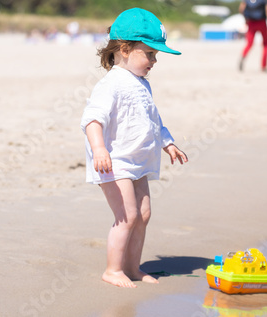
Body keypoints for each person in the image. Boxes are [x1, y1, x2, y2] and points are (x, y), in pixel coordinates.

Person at [80, 8, 188, 288]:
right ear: (125, 49)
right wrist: (99, 149)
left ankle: (132, 267)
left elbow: (152, 119)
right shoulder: (111, 84)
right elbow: (92, 119)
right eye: (150, 53)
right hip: (114, 161)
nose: (154, 60)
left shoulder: (142, 84)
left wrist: (168, 142)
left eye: (155, 56)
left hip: (138, 160)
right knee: (126, 216)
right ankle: (112, 270)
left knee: (144, 214)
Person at [239, 0, 267, 72]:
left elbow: (241, 9)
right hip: (262, 22)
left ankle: (243, 56)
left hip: (251, 22)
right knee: (265, 44)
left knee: (249, 43)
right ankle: (264, 66)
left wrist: (245, 21)